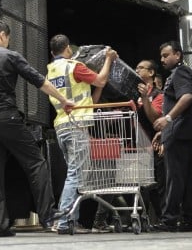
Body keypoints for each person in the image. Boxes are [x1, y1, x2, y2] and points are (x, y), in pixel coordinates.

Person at [0, 19, 75, 237]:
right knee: (36, 163)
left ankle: (0, 225)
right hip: (8, 118)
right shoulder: (10, 56)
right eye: (8, 38)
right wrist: (64, 100)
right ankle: (47, 215)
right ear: (2, 35)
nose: (8, 42)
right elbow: (40, 82)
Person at [46, 34, 117, 234]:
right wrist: (109, 60)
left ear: (53, 52)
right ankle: (64, 221)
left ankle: (70, 220)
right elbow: (101, 81)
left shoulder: (51, 70)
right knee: (75, 175)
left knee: (73, 175)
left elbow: (85, 96)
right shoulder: (74, 66)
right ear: (68, 48)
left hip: (61, 125)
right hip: (76, 126)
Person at [152, 41, 192, 232]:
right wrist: (163, 130)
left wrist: (167, 119)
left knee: (174, 177)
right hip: (182, 131)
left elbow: (187, 96)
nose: (162, 59)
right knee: (187, 177)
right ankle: (191, 219)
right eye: (161, 56)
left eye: (166, 55)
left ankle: (169, 220)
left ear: (178, 55)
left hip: (181, 132)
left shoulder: (181, 72)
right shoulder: (177, 74)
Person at [135, 59, 165, 223]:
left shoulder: (158, 95)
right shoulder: (133, 94)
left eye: (141, 68)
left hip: (154, 145)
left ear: (151, 73)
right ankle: (142, 219)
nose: (137, 70)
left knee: (157, 185)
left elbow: (155, 118)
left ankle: (162, 219)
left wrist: (145, 98)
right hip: (138, 146)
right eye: (136, 68)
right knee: (141, 185)